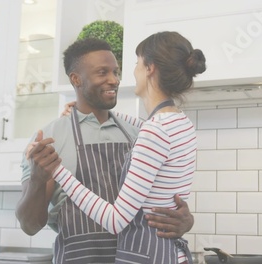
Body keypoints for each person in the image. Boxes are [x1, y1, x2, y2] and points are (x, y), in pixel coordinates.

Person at [15, 37, 194, 264]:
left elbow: (163, 196)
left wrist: (185, 220)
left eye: (116, 72)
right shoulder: (49, 140)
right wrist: (38, 180)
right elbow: (29, 225)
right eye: (102, 73)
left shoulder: (139, 131)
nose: (114, 80)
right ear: (76, 79)